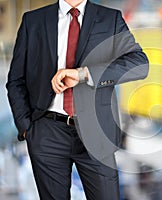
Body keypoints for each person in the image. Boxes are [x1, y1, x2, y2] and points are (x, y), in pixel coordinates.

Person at [6, 0, 149, 199]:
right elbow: (16, 80)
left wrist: (84, 74)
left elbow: (139, 64)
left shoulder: (110, 19)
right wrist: (27, 128)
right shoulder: (34, 21)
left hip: (98, 131)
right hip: (47, 132)